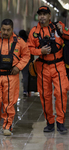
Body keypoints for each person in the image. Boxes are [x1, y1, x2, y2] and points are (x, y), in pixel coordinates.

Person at [0, 19, 30, 136]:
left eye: (8, 30)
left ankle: (7, 126)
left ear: (12, 29)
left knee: (9, 102)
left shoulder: (19, 42)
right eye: (3, 29)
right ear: (0, 28)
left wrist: (18, 67)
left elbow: (26, 55)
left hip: (11, 77)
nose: (5, 32)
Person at [27, 6, 69, 134]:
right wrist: (41, 51)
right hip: (42, 66)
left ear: (50, 16)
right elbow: (29, 48)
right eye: (40, 14)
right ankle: (50, 122)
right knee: (45, 96)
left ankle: (60, 122)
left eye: (45, 14)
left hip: (59, 65)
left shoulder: (58, 26)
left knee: (61, 92)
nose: (42, 17)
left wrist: (63, 32)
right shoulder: (34, 32)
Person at [19, 30, 30, 97]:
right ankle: (25, 90)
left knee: (14, 76)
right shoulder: (28, 41)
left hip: (17, 60)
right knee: (25, 76)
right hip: (26, 61)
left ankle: (13, 90)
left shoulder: (17, 41)